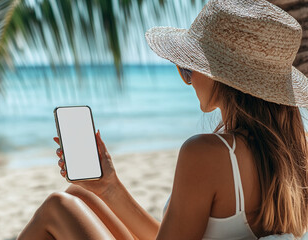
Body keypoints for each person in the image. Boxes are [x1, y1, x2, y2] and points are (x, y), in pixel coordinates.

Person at [16, 0, 308, 239]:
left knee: (59, 206)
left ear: (221, 75)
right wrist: (109, 186)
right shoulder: (292, 155)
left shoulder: (208, 153)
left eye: (189, 68)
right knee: (80, 195)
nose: (188, 79)